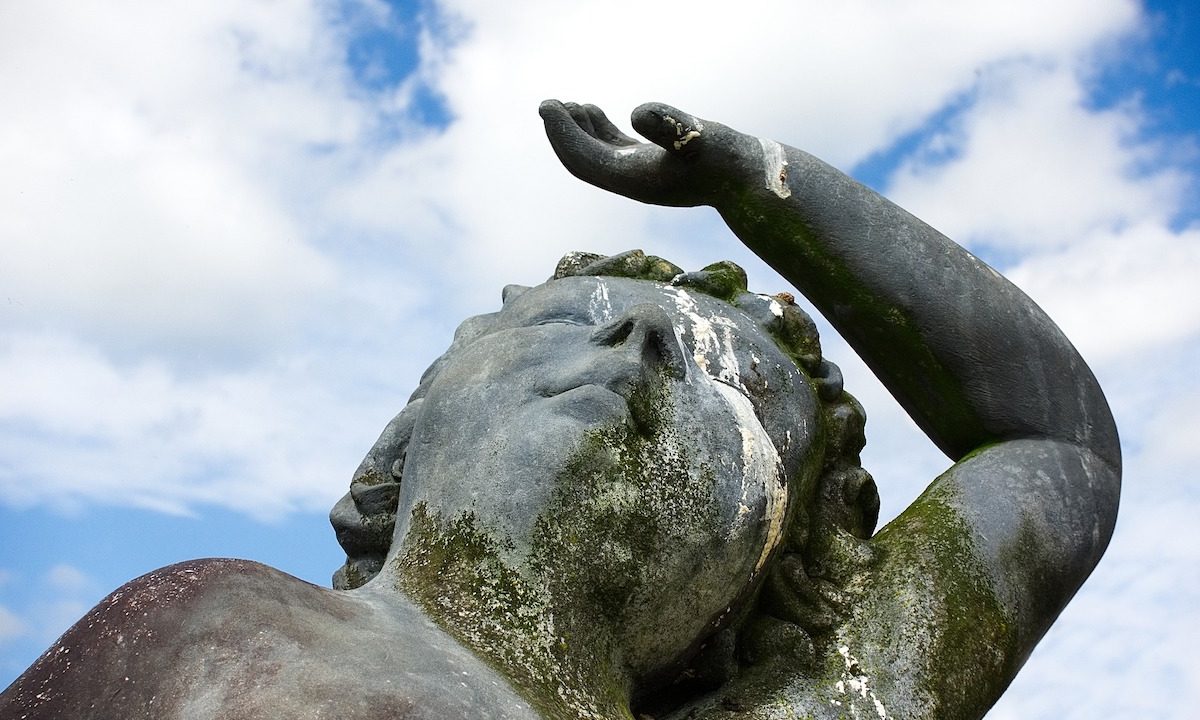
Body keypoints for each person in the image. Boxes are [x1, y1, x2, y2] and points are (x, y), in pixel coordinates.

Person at [0, 101, 1119, 720]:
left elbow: (1057, 442)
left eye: (733, 383)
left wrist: (766, 188)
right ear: (405, 436)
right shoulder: (214, 621)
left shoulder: (810, 710)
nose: (641, 345)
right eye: (569, 323)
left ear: (778, 570)